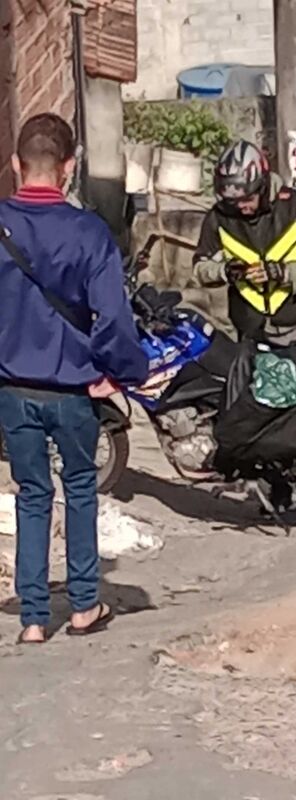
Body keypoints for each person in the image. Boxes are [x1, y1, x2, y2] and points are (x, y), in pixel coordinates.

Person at [0, 114, 148, 644]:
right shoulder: (90, 233)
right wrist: (121, 373)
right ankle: (85, 604)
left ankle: (34, 617)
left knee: (31, 493)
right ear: (68, 167)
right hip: (74, 389)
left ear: (16, 165)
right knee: (81, 487)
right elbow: (113, 317)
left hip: (13, 389)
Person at [193, 140, 296, 345]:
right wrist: (225, 271)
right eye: (233, 201)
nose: (242, 207)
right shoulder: (218, 218)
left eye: (248, 199)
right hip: (249, 329)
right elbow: (199, 269)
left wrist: (284, 272)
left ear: (262, 187)